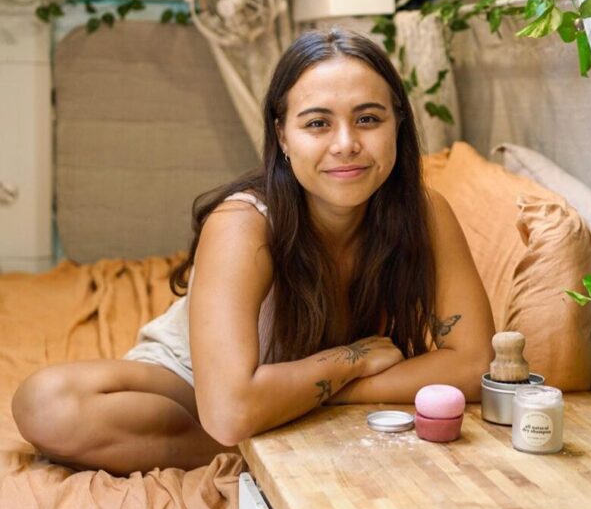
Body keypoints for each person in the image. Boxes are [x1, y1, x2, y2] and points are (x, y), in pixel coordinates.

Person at [12, 28, 494, 475]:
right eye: (317, 123)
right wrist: (350, 360)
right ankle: (267, 436)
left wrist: (313, 396)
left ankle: (275, 429)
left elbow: (476, 365)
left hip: (276, 395)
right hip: (195, 382)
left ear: (398, 125)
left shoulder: (425, 214)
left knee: (238, 414)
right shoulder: (243, 223)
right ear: (283, 136)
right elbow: (226, 410)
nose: (346, 144)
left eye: (368, 119)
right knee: (46, 403)